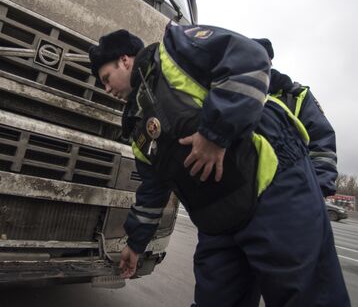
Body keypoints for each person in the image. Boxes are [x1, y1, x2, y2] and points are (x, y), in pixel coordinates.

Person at [89, 25, 349, 306]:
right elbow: (153, 190)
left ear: (125, 60)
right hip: (218, 223)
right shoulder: (137, 126)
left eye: (105, 78)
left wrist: (215, 135)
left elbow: (250, 57)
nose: (106, 88)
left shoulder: (175, 50)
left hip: (273, 194)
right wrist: (135, 244)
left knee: (308, 298)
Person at [253, 38, 338, 197]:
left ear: (269, 62)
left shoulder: (297, 96)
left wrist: (315, 192)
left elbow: (322, 147)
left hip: (288, 198)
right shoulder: (228, 93)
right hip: (238, 202)